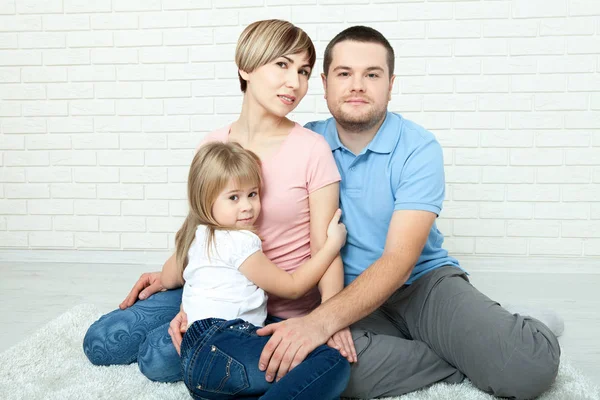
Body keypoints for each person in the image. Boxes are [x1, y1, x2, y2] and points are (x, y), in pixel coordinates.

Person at [252, 26, 562, 400]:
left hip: (421, 284)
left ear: (391, 84)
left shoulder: (418, 147)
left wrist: (319, 323)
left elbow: (400, 259)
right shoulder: (305, 144)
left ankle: (520, 328)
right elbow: (239, 213)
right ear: (325, 82)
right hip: (346, 296)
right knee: (327, 375)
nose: (357, 85)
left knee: (525, 368)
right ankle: (461, 352)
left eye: (372, 74)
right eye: (344, 73)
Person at [83, 19, 356, 383]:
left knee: (157, 359)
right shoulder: (214, 145)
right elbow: (200, 228)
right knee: (101, 342)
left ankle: (207, 343)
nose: (296, 82)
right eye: (282, 64)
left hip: (269, 309)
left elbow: (327, 245)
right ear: (245, 66)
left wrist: (329, 318)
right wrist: (174, 281)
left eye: (304, 71)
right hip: (211, 290)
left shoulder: (312, 150)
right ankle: (196, 330)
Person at [163, 141, 349, 399]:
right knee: (331, 361)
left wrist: (183, 306)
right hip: (224, 342)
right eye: (233, 197)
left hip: (193, 362)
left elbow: (167, 275)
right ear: (205, 200)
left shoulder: (198, 235)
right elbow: (293, 287)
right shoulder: (240, 241)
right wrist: (332, 245)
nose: (247, 206)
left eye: (253, 194)